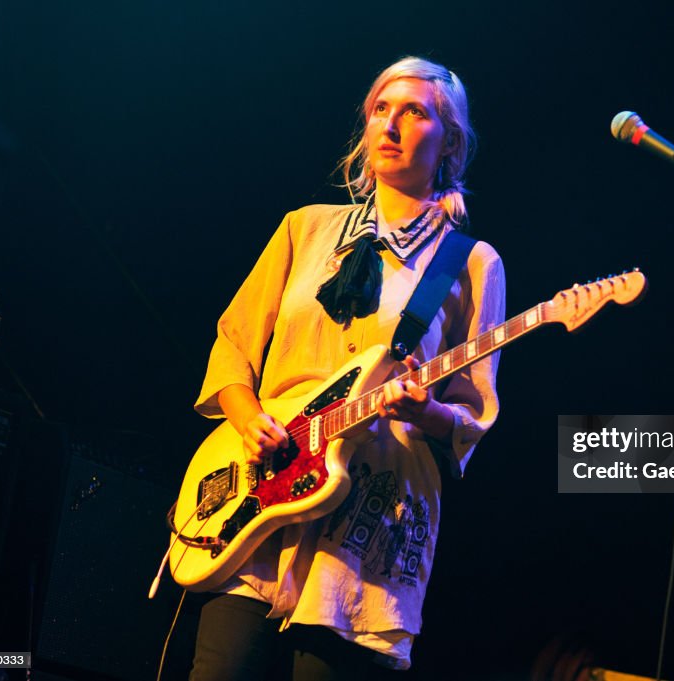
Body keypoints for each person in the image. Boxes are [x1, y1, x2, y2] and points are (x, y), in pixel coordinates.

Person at [189, 56, 505, 680]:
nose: (391, 124)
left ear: (449, 142)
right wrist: (248, 418)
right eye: (381, 109)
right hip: (261, 498)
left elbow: (474, 412)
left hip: (365, 526)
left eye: (414, 112)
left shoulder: (472, 263)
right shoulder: (304, 228)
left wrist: (429, 410)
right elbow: (232, 343)